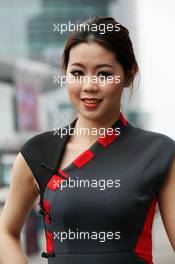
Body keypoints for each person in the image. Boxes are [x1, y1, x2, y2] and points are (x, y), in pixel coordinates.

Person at [0, 16, 174, 264]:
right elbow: (6, 232)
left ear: (129, 74)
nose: (89, 86)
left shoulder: (160, 152)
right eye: (77, 73)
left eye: (103, 74)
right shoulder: (37, 153)